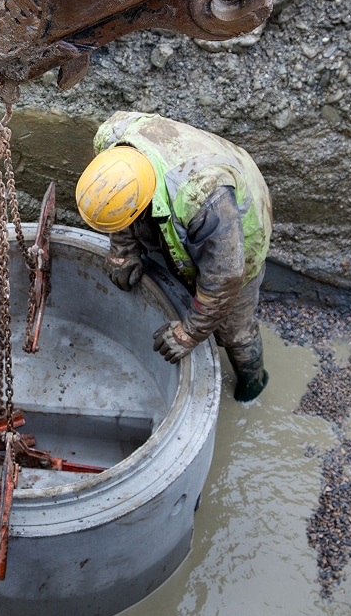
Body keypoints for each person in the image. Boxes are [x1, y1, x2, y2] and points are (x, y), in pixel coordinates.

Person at [75, 111, 273, 403]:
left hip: (239, 230)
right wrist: (123, 248)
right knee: (182, 265)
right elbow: (114, 200)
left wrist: (189, 333)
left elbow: (226, 278)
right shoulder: (111, 140)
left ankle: (253, 386)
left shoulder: (203, 199)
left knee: (234, 331)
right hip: (185, 194)